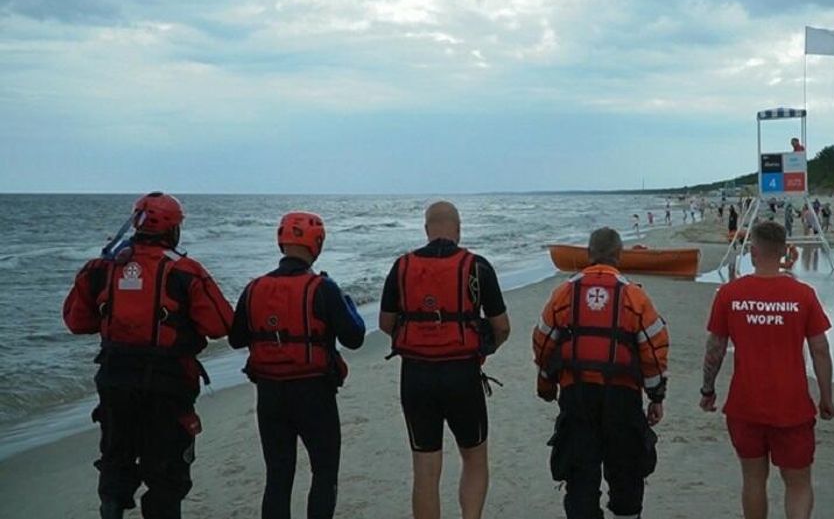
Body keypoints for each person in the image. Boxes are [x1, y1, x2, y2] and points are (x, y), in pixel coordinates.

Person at [63, 192, 235, 519]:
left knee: (116, 460)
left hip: (114, 381)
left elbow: (76, 321)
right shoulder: (185, 270)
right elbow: (220, 324)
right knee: (167, 472)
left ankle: (112, 508)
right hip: (168, 385)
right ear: (172, 229)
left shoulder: (101, 267)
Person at [229, 212, 366, 519]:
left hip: (269, 394)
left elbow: (236, 339)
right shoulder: (322, 288)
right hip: (313, 392)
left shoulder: (254, 288)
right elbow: (355, 337)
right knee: (324, 471)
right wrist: (346, 302)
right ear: (316, 244)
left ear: (282, 243)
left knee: (278, 476)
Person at [379, 201, 512, 519]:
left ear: (426, 230)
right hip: (462, 375)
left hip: (416, 376)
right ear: (459, 228)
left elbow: (386, 323)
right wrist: (483, 346)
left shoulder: (402, 267)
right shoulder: (478, 267)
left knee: (425, 469)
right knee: (474, 458)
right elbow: (502, 327)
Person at [701, 221, 834, 519]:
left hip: (746, 404)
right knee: (798, 483)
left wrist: (707, 390)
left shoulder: (730, 294)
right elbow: (820, 349)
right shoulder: (804, 295)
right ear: (785, 251)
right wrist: (826, 396)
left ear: (753, 251)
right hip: (792, 406)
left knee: (753, 479)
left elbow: (715, 348)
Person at [533, 227, 669, 519]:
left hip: (577, 396)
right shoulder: (634, 296)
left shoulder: (564, 293)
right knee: (626, 472)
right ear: (619, 255)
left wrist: (545, 384)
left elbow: (543, 341)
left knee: (581, 474)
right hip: (622, 398)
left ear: (589, 254)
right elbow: (654, 350)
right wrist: (656, 395)